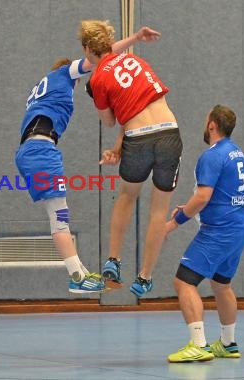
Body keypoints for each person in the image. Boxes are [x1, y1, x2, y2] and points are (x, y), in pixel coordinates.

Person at [15, 25, 161, 294]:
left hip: (29, 151)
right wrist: (135, 39)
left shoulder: (41, 89)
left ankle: (79, 273)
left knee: (58, 217)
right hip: (41, 151)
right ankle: (77, 277)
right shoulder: (64, 75)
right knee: (59, 219)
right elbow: (101, 56)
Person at [79, 19, 182, 297]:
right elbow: (140, 105)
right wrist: (118, 147)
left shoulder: (97, 79)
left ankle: (113, 259)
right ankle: (145, 277)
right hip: (169, 134)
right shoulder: (136, 62)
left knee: (126, 197)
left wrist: (118, 146)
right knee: (158, 211)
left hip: (137, 137)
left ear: (88, 48)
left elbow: (113, 120)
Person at [165, 105, 244, 363]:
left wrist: (175, 221)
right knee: (222, 284)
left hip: (218, 231)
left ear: (212, 125)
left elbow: (203, 196)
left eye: (205, 121)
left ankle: (199, 345)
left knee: (184, 281)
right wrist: (195, 206)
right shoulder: (236, 152)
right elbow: (220, 193)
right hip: (238, 227)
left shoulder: (212, 155)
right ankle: (228, 343)